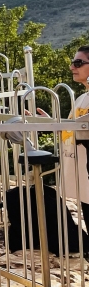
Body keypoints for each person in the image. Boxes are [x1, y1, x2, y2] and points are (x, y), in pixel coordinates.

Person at [61, 45, 89, 224]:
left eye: (78, 63)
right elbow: (71, 131)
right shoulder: (81, 99)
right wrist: (52, 122)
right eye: (73, 63)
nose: (72, 67)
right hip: (82, 177)